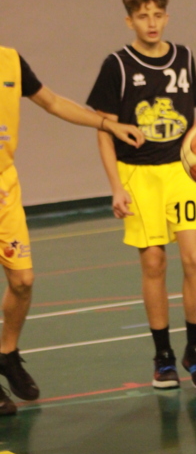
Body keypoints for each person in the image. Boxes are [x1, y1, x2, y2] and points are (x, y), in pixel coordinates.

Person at [87, 0, 196, 391]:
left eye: (157, 15)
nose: (151, 23)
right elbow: (103, 131)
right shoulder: (117, 65)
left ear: (167, 16)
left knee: (195, 258)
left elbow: (192, 126)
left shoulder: (184, 58)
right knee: (154, 263)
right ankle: (163, 357)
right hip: (138, 174)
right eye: (143, 16)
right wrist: (115, 186)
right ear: (130, 20)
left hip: (179, 172)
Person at [0, 46, 145, 415]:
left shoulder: (11, 61)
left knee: (23, 281)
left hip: (5, 190)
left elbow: (51, 102)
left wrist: (107, 124)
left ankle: (6, 354)